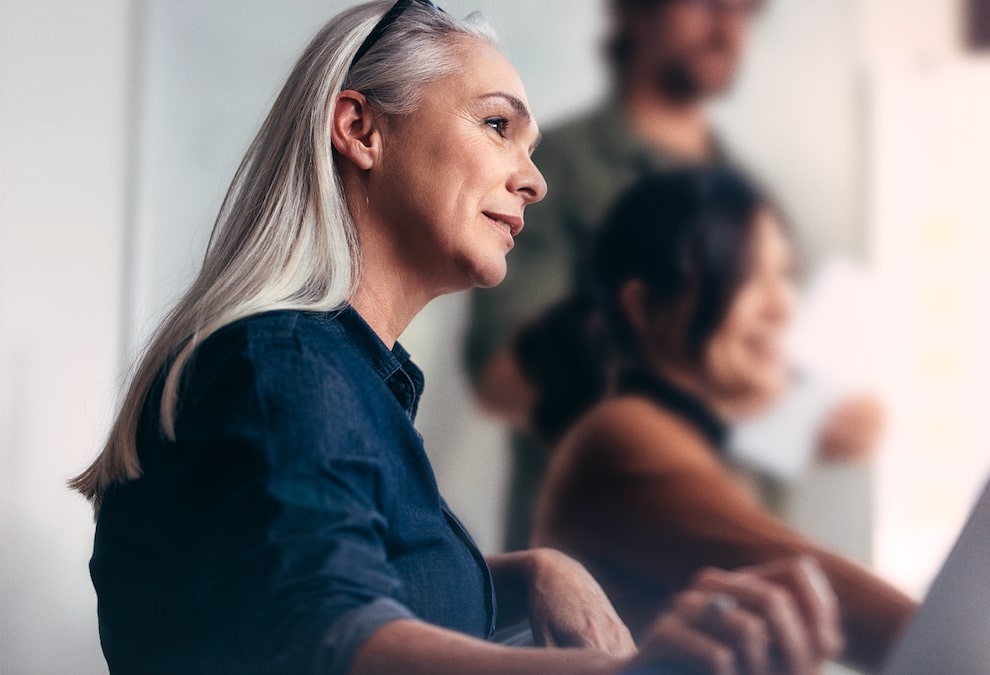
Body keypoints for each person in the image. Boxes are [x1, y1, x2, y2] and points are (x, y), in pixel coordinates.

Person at [68, 3, 842, 673]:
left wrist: (528, 573)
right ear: (360, 128)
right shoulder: (283, 372)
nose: (532, 179)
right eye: (497, 125)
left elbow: (364, 580)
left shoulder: (343, 382)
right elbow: (325, 640)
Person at [464, 0, 883, 554]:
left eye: (746, 11)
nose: (729, 27)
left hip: (746, 578)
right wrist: (737, 387)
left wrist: (814, 411)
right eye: (709, 4)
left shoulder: (748, 191)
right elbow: (504, 375)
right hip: (600, 579)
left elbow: (776, 359)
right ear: (637, 12)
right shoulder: (550, 171)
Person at [517, 167, 916, 673]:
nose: (781, 306)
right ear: (645, 308)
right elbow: (823, 591)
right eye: (747, 275)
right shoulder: (622, 432)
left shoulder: (692, 438)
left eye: (784, 274)